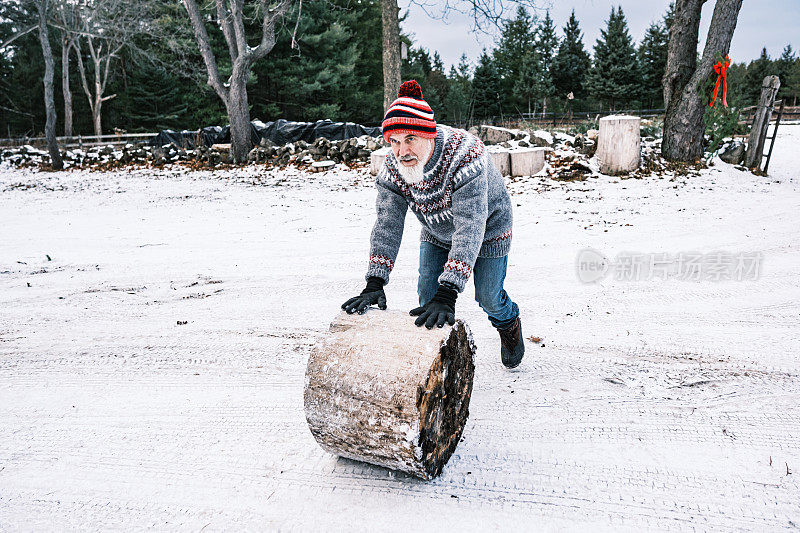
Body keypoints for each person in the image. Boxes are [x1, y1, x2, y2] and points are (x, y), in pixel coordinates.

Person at [341, 80, 524, 368]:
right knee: (428, 302)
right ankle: (438, 364)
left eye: (410, 139)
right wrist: (375, 281)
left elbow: (470, 225)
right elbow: (387, 223)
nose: (402, 151)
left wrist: (449, 290)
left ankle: (508, 323)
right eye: (395, 141)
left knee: (488, 297)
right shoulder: (394, 167)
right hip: (437, 229)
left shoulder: (465, 155)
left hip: (488, 228)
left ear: (428, 134)